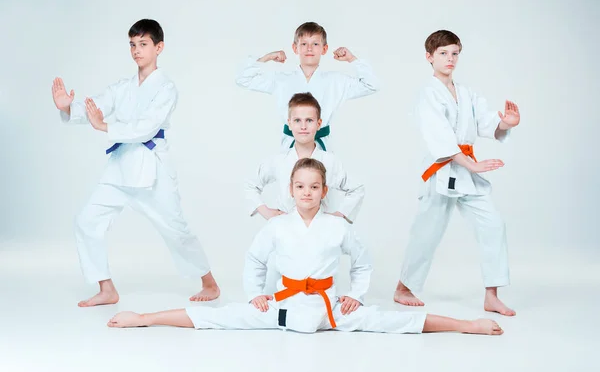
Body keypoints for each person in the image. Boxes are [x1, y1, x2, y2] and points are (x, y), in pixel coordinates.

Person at [107, 158, 503, 336]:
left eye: (315, 187)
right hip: (281, 307)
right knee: (219, 317)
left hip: (331, 308)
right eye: (300, 187)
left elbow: (363, 265)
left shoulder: (337, 226)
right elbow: (254, 261)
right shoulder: (277, 225)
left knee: (392, 322)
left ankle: (467, 325)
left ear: (324, 191)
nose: (308, 192)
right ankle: (143, 317)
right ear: (290, 191)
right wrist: (257, 296)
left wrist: (355, 297)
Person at [52, 19, 220, 307]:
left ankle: (209, 282)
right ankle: (106, 288)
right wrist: (68, 106)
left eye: (143, 44)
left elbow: (146, 127)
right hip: (120, 167)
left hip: (152, 168)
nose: (136, 50)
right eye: (132, 44)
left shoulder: (166, 88)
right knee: (86, 221)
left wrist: (105, 127)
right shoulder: (124, 87)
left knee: (175, 228)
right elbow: (97, 104)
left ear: (159, 47)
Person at [393, 30, 521, 317]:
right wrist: (472, 164)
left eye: (454, 53)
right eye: (443, 53)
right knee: (428, 231)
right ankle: (403, 288)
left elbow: (488, 123)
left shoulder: (466, 93)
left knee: (493, 224)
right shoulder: (428, 93)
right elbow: (439, 137)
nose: (450, 59)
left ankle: (492, 294)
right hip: (442, 169)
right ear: (429, 57)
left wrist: (506, 124)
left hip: (466, 170)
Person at [235, 21, 380, 152]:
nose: (309, 48)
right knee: (290, 181)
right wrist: (267, 57)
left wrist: (352, 59)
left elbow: (371, 85)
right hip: (290, 148)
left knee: (322, 181)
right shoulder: (281, 80)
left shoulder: (336, 81)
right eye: (303, 44)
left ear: (324, 49)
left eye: (315, 44)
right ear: (295, 48)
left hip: (321, 150)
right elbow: (243, 79)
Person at [245, 92, 364, 224]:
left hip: (319, 231)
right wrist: (265, 211)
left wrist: (340, 215)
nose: (303, 126)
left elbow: (357, 189)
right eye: (297, 120)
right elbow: (251, 185)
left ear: (319, 124)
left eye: (309, 120)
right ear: (289, 124)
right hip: (285, 230)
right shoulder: (278, 161)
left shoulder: (330, 161)